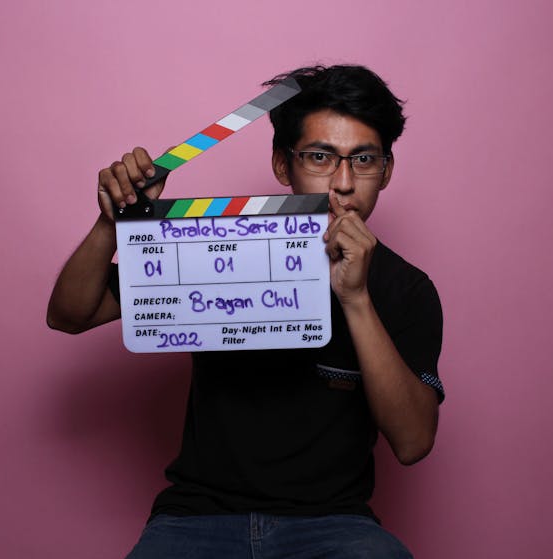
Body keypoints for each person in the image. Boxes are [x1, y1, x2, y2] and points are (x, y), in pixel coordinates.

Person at [47, 64, 444, 558]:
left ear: (386, 169)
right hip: (197, 517)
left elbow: (412, 443)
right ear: (283, 165)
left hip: (335, 525)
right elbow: (69, 314)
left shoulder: (405, 288)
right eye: (320, 157)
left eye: (362, 159)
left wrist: (355, 298)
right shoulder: (218, 244)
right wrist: (116, 219)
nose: (343, 183)